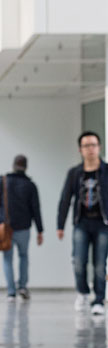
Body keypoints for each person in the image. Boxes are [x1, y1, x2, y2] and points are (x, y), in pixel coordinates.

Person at [57, 131, 108, 315]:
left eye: (94, 145)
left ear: (99, 147)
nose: (91, 149)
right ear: (80, 150)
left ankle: (99, 300)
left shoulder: (106, 171)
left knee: (100, 264)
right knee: (79, 261)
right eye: (86, 145)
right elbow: (65, 199)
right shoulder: (75, 173)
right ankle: (83, 292)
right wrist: (60, 225)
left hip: (103, 223)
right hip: (82, 222)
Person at [0, 154, 43, 301]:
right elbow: (36, 209)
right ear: (26, 167)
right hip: (24, 227)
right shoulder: (30, 185)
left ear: (13, 165)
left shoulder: (2, 182)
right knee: (24, 256)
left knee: (7, 259)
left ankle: (11, 292)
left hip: (5, 227)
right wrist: (40, 230)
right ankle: (23, 286)